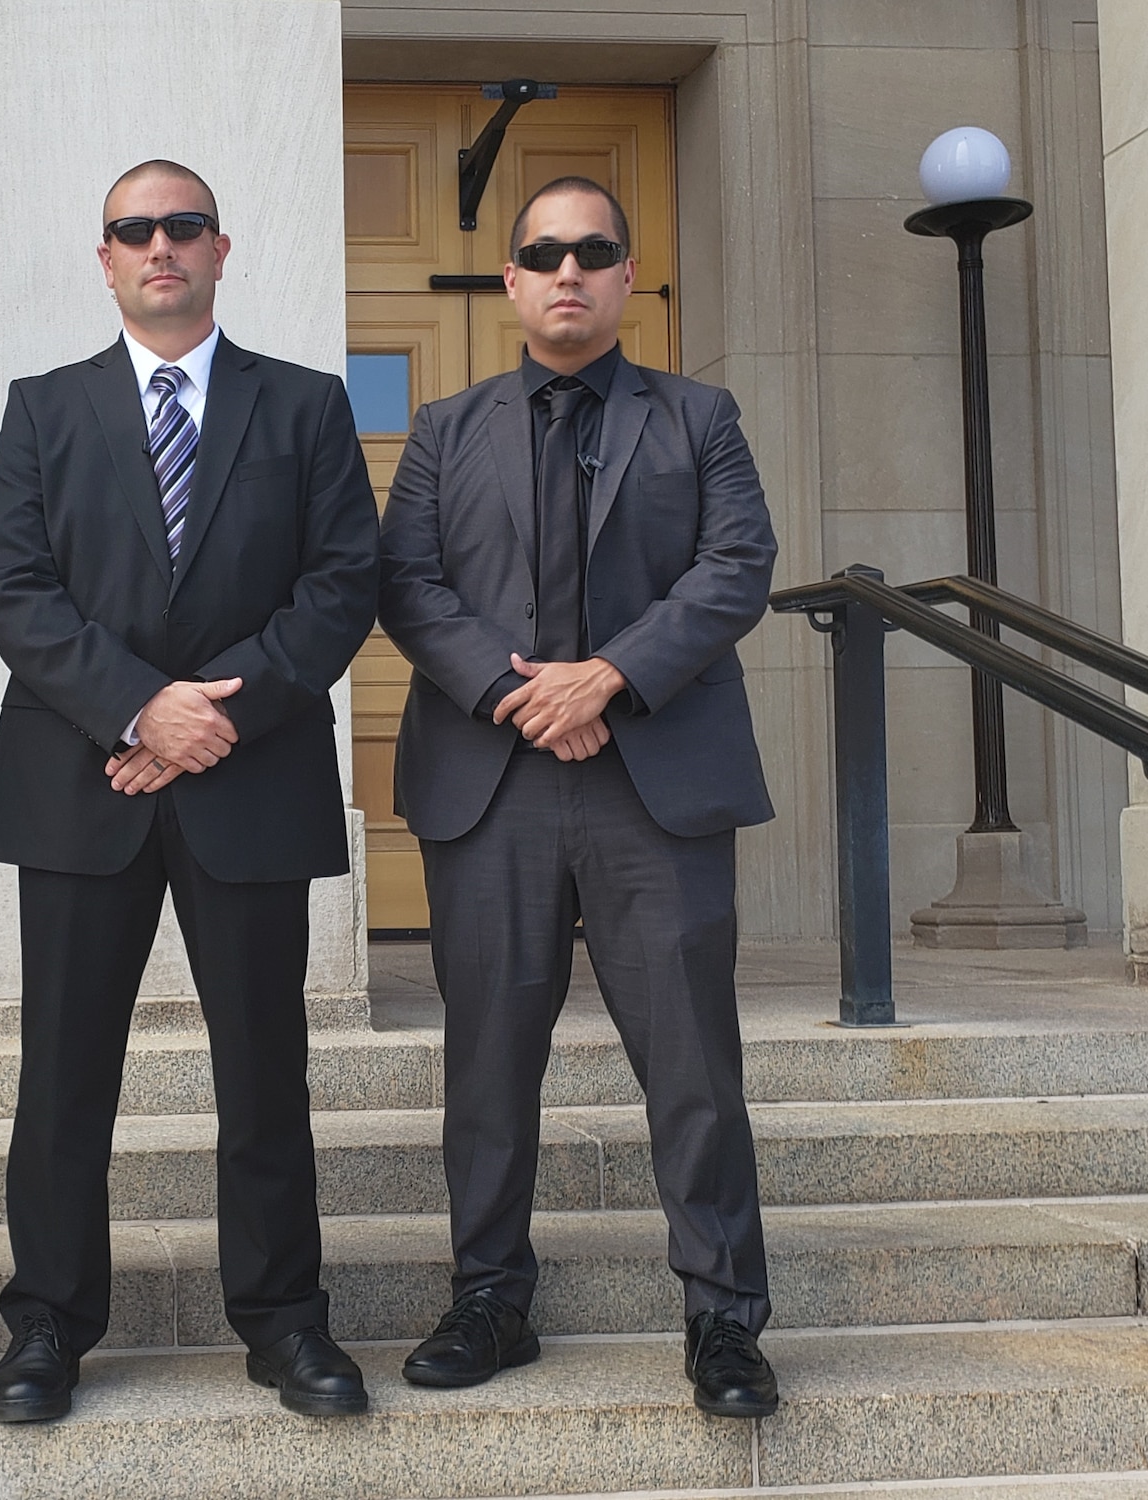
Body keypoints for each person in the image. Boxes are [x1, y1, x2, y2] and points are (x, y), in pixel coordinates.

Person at [0, 159, 380, 1423]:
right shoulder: (42, 409)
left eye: (182, 226)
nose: (160, 246)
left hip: (248, 785)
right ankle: (45, 1323)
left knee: (265, 1069)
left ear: (219, 248)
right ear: (104, 259)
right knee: (62, 1074)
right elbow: (16, 588)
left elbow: (339, 586)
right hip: (80, 779)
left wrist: (218, 715)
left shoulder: (306, 407)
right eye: (133, 230)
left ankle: (283, 1324)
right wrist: (143, 708)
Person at [378, 175, 782, 1419]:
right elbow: (406, 583)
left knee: (693, 1066)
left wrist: (608, 676)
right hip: (490, 787)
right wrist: (521, 696)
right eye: (541, 253)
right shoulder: (445, 428)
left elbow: (736, 566)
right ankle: (488, 1297)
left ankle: (721, 1319)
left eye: (591, 251)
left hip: (649, 786)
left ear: (621, 277)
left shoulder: (698, 416)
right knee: (487, 1064)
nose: (566, 270)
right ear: (509, 282)